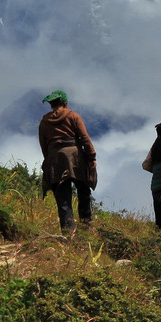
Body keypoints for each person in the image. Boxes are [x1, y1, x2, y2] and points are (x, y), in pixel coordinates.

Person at [38, 89, 97, 232]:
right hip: (75, 158)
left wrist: (49, 160)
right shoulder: (73, 116)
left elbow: (43, 145)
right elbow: (84, 138)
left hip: (55, 159)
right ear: (65, 103)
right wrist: (91, 156)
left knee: (63, 196)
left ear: (52, 104)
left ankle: (68, 230)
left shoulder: (44, 122)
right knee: (83, 190)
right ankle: (86, 224)